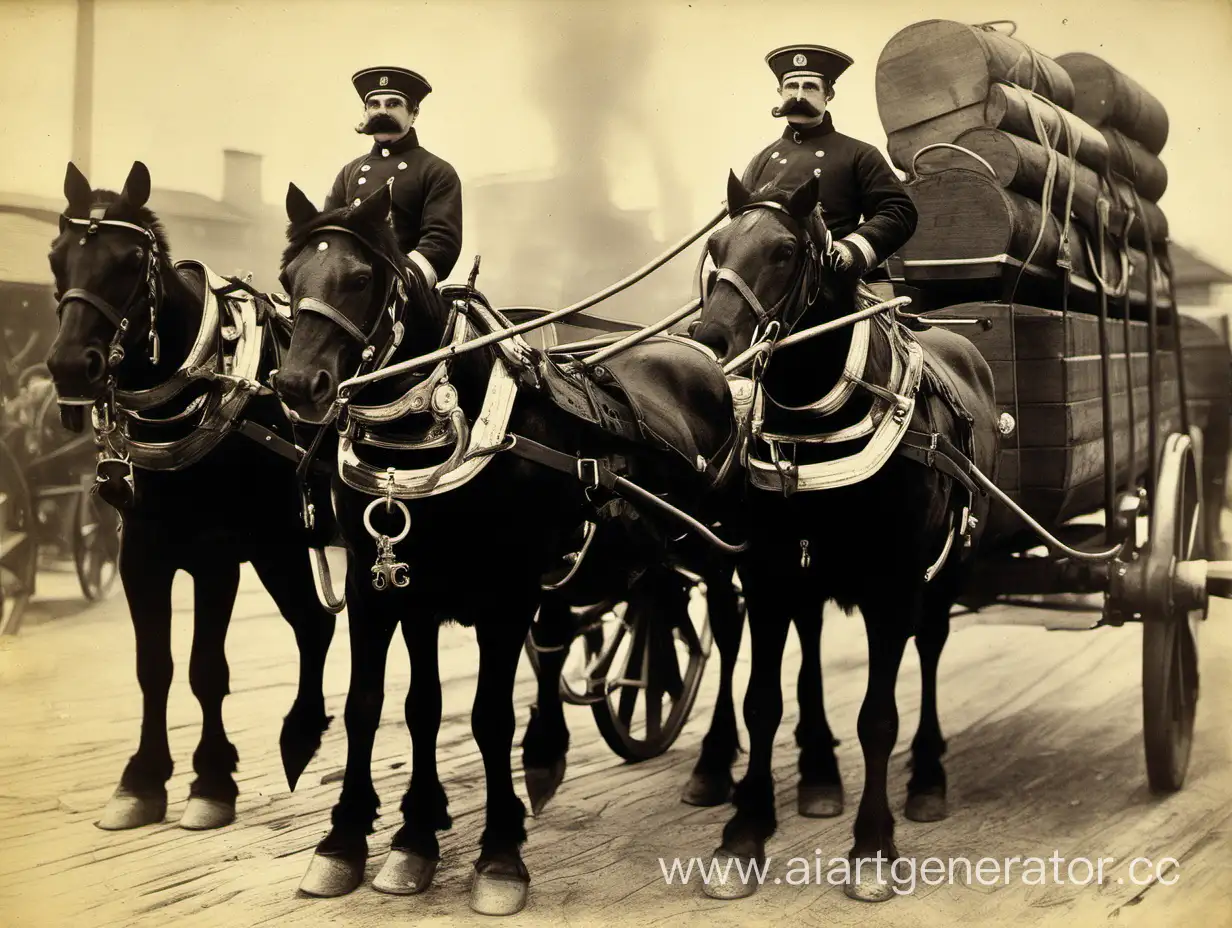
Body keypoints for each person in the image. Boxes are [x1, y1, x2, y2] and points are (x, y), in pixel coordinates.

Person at [741, 44, 917, 281]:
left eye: (810, 87)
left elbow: (899, 211)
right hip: (770, 289)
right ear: (780, 92)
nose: (799, 96)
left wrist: (850, 250)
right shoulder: (761, 159)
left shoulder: (859, 154)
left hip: (831, 282)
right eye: (791, 86)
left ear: (829, 95)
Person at [324, 66, 463, 288]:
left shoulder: (436, 171)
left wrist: (402, 282)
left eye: (393, 104)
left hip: (402, 292)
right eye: (374, 105)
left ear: (414, 113)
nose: (382, 112)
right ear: (365, 111)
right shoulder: (349, 172)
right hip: (348, 292)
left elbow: (441, 243)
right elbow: (329, 233)